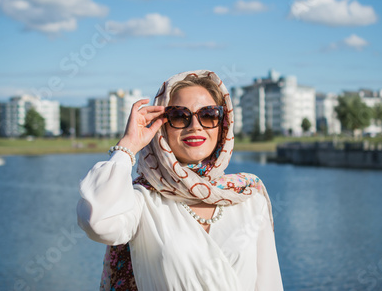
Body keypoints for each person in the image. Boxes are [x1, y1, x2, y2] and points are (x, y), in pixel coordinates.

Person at [77, 70, 284, 290]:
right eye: (178, 115)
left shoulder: (248, 196)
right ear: (162, 127)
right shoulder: (141, 202)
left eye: (208, 114)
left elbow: (269, 282)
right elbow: (97, 222)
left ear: (223, 125)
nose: (195, 125)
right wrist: (128, 145)